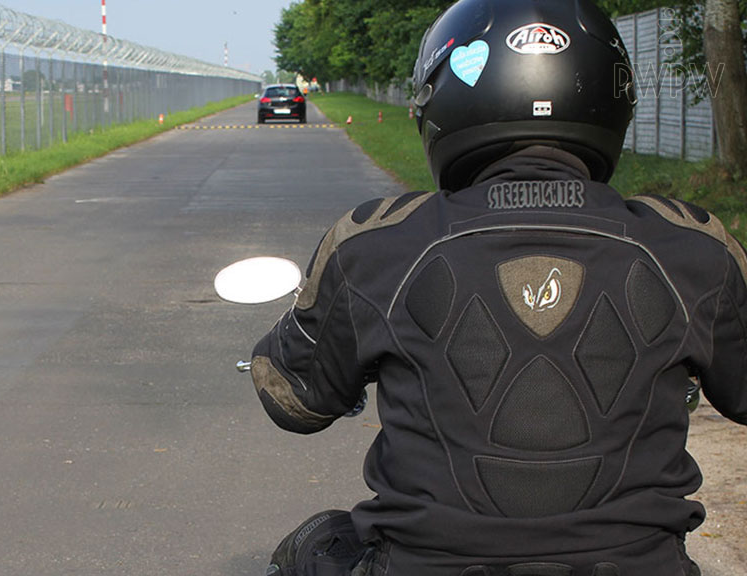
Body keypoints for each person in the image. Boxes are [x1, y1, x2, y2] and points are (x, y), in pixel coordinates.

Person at [249, 0, 747, 575]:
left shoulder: (373, 244)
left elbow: (292, 400)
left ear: (442, 100)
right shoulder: (695, 247)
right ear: (612, 95)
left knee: (316, 545)